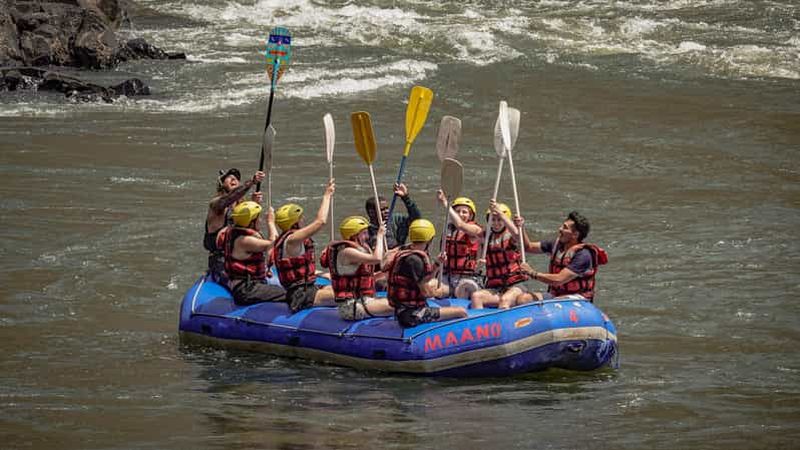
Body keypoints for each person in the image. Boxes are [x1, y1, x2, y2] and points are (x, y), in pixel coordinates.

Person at [385, 219, 467, 328]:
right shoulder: (415, 260)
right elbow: (426, 293)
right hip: (411, 315)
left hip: (402, 310)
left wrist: (437, 264)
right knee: (461, 312)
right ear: (430, 240)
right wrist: (439, 292)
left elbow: (424, 279)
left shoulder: (405, 252)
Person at [271, 179, 336, 313]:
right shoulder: (292, 240)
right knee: (349, 294)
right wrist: (327, 195)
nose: (303, 219)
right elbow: (321, 221)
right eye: (300, 218)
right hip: (301, 295)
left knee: (340, 287)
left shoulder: (285, 238)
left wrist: (322, 274)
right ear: (294, 222)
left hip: (307, 288)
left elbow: (299, 270)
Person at [516, 211, 608, 302]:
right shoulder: (556, 245)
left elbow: (559, 279)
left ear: (575, 235)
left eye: (565, 228)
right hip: (556, 295)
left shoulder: (583, 255)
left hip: (577, 298)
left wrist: (532, 273)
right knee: (523, 299)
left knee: (554, 302)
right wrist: (521, 227)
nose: (560, 229)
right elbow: (528, 247)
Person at [319, 216, 394, 321]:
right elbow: (376, 258)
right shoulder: (347, 252)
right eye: (364, 233)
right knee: (398, 306)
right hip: (352, 307)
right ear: (354, 235)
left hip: (363, 301)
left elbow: (367, 275)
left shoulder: (360, 248)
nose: (367, 236)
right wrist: (380, 236)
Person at [216, 200, 286, 306]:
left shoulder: (230, 232)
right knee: (291, 294)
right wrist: (271, 223)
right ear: (251, 222)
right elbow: (275, 244)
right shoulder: (245, 241)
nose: (261, 220)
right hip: (247, 289)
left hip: (246, 284)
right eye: (258, 218)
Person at [204, 168, 265, 283]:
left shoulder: (242, 208)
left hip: (240, 256)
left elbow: (254, 230)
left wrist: (254, 205)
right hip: (220, 259)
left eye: (236, 178)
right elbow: (229, 198)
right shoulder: (216, 204)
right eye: (229, 177)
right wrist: (252, 182)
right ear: (222, 184)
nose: (234, 179)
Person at [470, 200, 529, 310]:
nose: (496, 223)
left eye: (499, 220)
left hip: (515, 285)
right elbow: (477, 266)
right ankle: (482, 325)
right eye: (493, 220)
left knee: (505, 300)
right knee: (476, 296)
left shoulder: (512, 236)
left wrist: (500, 212)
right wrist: (479, 264)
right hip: (495, 287)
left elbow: (518, 236)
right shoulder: (486, 237)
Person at [435, 191, 482, 299]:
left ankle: (464, 312)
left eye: (464, 212)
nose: (460, 214)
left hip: (467, 278)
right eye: (457, 211)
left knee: (463, 289)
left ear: (471, 216)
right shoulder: (448, 230)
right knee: (433, 288)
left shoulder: (476, 229)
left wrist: (445, 202)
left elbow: (460, 225)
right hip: (447, 276)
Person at [365, 182, 421, 250]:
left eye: (387, 208)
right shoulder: (366, 232)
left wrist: (405, 197)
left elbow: (416, 219)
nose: (387, 211)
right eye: (382, 210)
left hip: (398, 256)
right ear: (371, 213)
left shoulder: (396, 221)